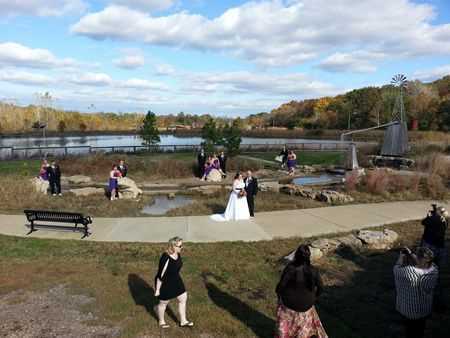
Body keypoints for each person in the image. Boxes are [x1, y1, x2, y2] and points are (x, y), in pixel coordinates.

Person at [275, 245, 328, 338]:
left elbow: (281, 286)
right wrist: (314, 298)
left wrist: (279, 296)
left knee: (281, 303)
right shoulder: (313, 270)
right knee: (308, 309)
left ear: (296, 255)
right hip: (306, 305)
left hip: (289, 304)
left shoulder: (290, 268)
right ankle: (301, 332)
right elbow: (321, 288)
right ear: (309, 256)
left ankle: (286, 332)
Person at [393, 247, 438, 338]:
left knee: (410, 331)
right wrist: (411, 254)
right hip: (425, 309)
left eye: (415, 254)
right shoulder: (434, 270)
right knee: (420, 328)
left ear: (419, 259)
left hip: (411, 311)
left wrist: (401, 257)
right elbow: (428, 264)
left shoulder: (409, 272)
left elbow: (396, 268)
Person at [154, 237, 194, 329]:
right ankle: (161, 321)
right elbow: (160, 275)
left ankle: (183, 321)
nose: (182, 247)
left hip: (176, 280)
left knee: (183, 298)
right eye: (180, 246)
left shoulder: (178, 254)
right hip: (165, 283)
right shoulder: (165, 257)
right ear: (173, 246)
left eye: (182, 245)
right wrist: (158, 289)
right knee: (163, 303)